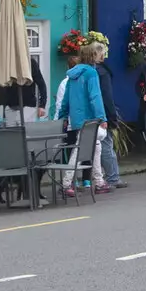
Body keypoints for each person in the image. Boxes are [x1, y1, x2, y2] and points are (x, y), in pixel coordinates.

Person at [55, 43, 108, 194]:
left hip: (76, 118)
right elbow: (95, 97)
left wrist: (63, 115)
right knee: (79, 150)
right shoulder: (91, 73)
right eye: (100, 53)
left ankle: (99, 180)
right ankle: (66, 183)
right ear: (93, 55)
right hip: (90, 118)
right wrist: (102, 117)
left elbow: (66, 99)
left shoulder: (73, 74)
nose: (102, 56)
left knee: (96, 146)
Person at [88, 42, 125, 188]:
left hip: (87, 115)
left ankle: (89, 179)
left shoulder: (86, 71)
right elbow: (107, 96)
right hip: (101, 114)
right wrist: (111, 116)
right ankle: (113, 178)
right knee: (106, 144)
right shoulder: (102, 73)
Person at [0, 55, 48, 125]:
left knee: (26, 133)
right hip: (10, 106)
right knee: (11, 134)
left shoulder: (30, 63)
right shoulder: (8, 63)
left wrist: (42, 105)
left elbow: (41, 84)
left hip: (27, 106)